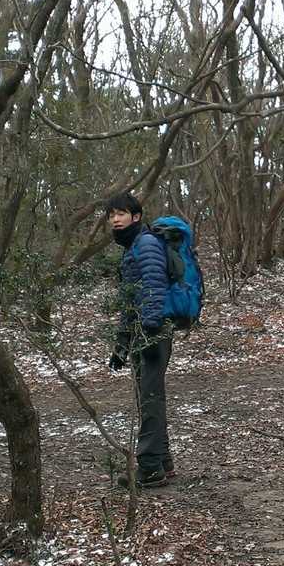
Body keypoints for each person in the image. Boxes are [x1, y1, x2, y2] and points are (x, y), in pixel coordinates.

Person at [106, 192, 175, 488]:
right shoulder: (132, 247)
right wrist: (122, 344)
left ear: (136, 217)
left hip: (152, 333)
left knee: (149, 398)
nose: (115, 219)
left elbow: (154, 287)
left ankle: (149, 468)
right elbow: (129, 301)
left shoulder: (145, 244)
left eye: (121, 213)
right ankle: (162, 462)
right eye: (111, 215)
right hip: (142, 333)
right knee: (149, 396)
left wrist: (150, 331)